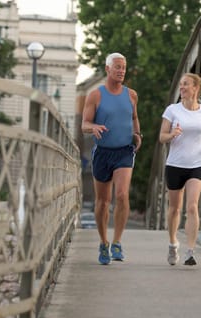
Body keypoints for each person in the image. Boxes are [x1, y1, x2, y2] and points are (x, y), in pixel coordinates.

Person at [81, 52, 142, 265]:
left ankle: (117, 242)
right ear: (108, 69)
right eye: (117, 67)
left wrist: (138, 135)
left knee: (122, 194)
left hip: (124, 151)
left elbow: (134, 119)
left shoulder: (131, 95)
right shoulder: (95, 96)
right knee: (103, 202)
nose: (121, 71)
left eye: (123, 67)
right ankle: (103, 242)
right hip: (103, 152)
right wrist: (94, 126)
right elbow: (84, 124)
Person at [159, 73, 201, 266]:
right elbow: (161, 137)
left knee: (192, 206)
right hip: (175, 164)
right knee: (175, 209)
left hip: (197, 163)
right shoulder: (172, 110)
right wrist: (172, 134)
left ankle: (190, 251)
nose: (182, 88)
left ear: (196, 88)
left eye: (186, 84)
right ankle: (173, 243)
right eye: (180, 84)